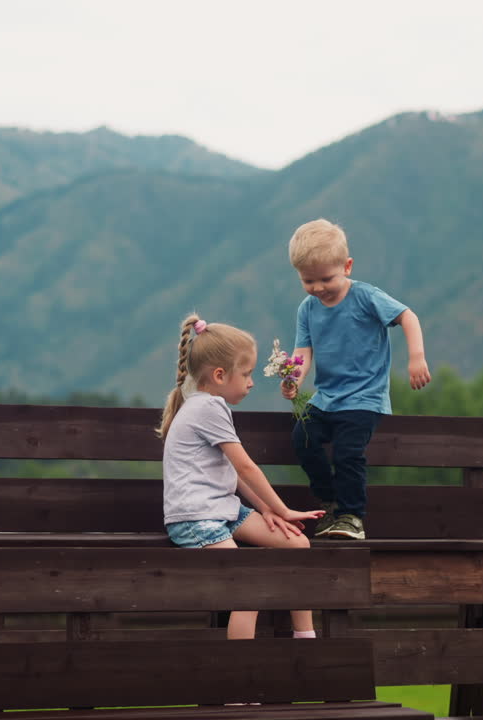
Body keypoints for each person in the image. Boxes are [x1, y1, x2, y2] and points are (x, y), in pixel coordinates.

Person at [157, 313, 326, 640]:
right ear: (219, 375)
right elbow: (247, 467)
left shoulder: (207, 405)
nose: (251, 382)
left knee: (297, 543)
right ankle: (241, 685)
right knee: (248, 590)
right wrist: (283, 509)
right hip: (195, 517)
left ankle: (305, 638)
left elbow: (233, 474)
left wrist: (264, 509)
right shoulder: (208, 408)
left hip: (222, 509)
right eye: (246, 374)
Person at [281, 219, 431, 540]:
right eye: (308, 280)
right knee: (302, 438)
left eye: (326, 278)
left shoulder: (365, 297)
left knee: (348, 452)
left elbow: (408, 316)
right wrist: (293, 377)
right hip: (325, 398)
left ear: (346, 266)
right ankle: (331, 500)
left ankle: (352, 517)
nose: (318, 287)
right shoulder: (307, 309)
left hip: (364, 397)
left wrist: (416, 357)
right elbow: (302, 352)